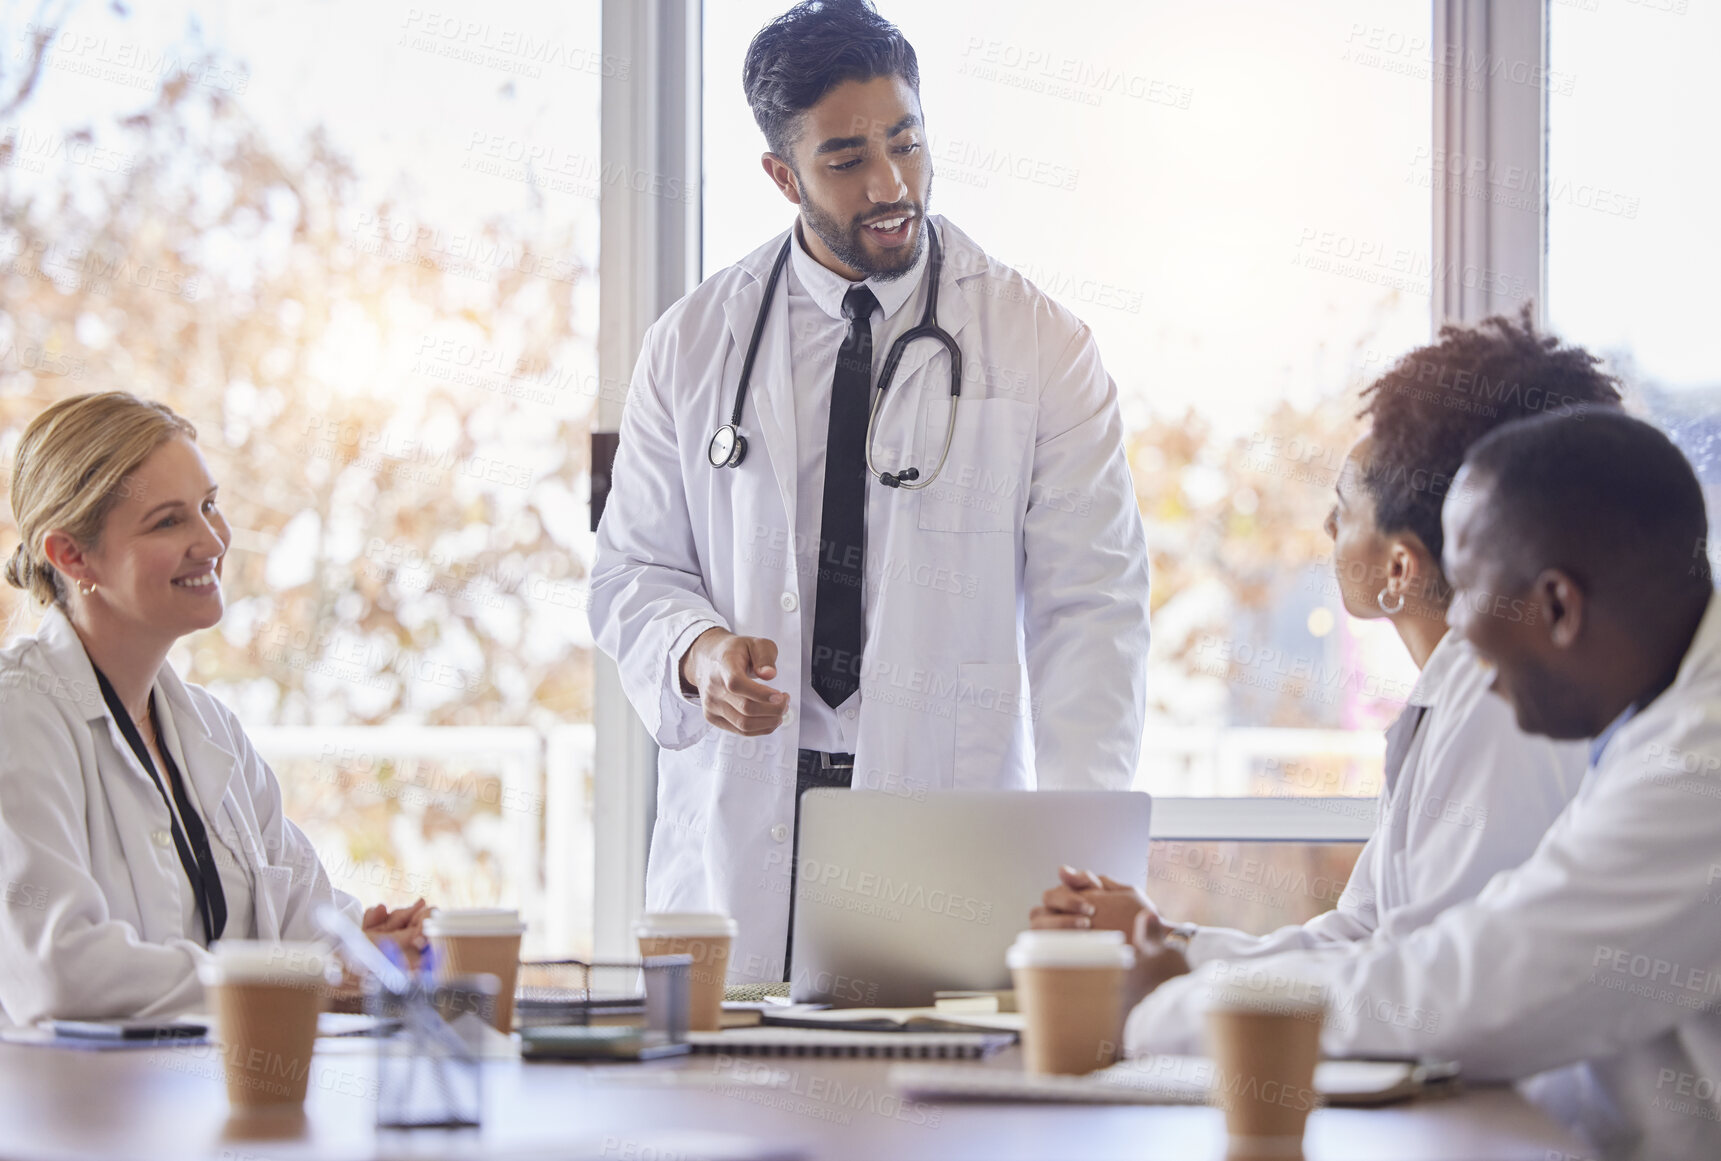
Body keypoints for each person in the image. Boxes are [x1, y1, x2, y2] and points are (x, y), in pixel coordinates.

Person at [590, 0, 1152, 983]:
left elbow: (1089, 614)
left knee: (923, 1116)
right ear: (782, 174)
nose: (891, 184)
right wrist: (696, 652)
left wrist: (1081, 864)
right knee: (728, 1120)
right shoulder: (689, 346)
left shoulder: (1039, 345)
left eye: (907, 142)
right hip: (737, 838)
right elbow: (630, 568)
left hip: (942, 828)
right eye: (846, 160)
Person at [1127, 410, 1720, 1161]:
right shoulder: (1647, 726)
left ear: (1558, 606)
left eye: (1468, 591)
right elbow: (1462, 941)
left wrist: (1169, 1010)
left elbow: (1485, 985)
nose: (1458, 632)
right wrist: (1191, 965)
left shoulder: (1699, 765)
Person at [1033, 311, 1613, 974]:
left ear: (1399, 567)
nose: (1325, 523)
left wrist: (1174, 972)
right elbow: (1365, 935)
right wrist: (1167, 941)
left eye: (1345, 506)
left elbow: (1426, 981)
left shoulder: (1498, 705)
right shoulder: (1454, 694)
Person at [0, 392, 426, 1027]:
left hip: (208, 1104)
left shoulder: (207, 729)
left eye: (208, 506)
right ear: (71, 555)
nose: (212, 541)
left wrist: (366, 948)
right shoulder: (20, 716)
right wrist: (316, 974)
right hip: (68, 1117)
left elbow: (300, 922)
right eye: (168, 522)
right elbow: (59, 971)